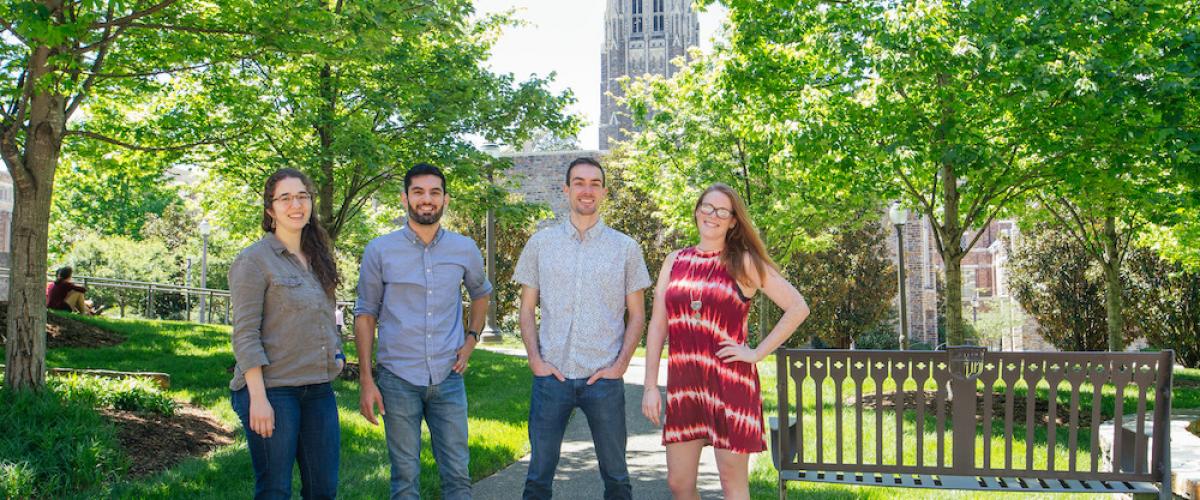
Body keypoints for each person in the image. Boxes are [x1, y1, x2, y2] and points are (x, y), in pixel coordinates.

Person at [640, 183, 810, 500]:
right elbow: (657, 325)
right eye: (707, 207)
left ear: (733, 221)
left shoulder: (743, 262)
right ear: (696, 211)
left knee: (732, 484)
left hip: (730, 384)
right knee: (679, 483)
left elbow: (798, 307)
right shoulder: (674, 261)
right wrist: (651, 385)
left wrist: (757, 353)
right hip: (685, 386)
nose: (713, 215)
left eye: (722, 211)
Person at [513, 157, 651, 500]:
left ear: (604, 191)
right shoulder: (541, 244)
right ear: (566, 189)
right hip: (551, 378)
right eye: (579, 182)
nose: (586, 190)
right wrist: (535, 360)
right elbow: (527, 309)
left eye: (594, 183)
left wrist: (618, 367)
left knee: (617, 478)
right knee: (537, 479)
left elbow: (637, 315)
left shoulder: (626, 248)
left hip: (602, 381)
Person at [355, 163, 492, 500]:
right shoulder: (379, 250)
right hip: (397, 378)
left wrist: (471, 339)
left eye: (434, 193)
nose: (426, 200)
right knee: (405, 480)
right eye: (418, 192)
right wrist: (367, 380)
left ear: (445, 199)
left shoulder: (464, 248)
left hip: (448, 377)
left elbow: (481, 293)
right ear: (405, 198)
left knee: (458, 475)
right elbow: (365, 314)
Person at [228, 168, 344, 500]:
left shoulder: (319, 257)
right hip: (273, 391)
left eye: (302, 196)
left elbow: (327, 315)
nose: (296, 204)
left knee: (323, 490)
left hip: (318, 391)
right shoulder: (253, 261)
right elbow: (245, 334)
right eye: (286, 198)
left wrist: (336, 352)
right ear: (270, 209)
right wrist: (259, 399)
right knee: (275, 490)